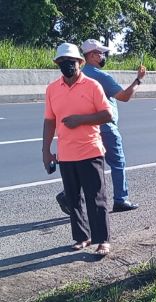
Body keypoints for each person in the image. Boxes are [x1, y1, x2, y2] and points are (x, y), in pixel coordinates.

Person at [55, 39, 145, 214]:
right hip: (106, 126)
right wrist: (138, 80)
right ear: (92, 55)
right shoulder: (100, 76)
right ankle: (121, 199)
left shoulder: (78, 74)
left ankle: (69, 194)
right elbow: (124, 96)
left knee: (91, 165)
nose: (103, 56)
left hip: (89, 127)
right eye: (101, 53)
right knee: (118, 163)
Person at [42, 43, 113, 255]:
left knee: (96, 198)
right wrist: (46, 151)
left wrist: (80, 120)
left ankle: (103, 241)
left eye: (71, 62)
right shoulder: (52, 89)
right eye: (62, 62)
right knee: (73, 199)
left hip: (90, 151)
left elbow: (107, 115)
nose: (67, 65)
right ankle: (83, 237)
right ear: (58, 64)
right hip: (66, 153)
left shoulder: (92, 86)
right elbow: (49, 121)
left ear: (80, 63)